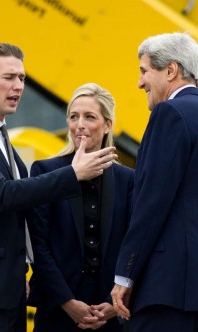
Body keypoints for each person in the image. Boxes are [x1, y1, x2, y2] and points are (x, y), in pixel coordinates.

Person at [0, 43, 116, 331]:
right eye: (9, 77)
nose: (18, 86)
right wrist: (72, 174)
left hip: (7, 289)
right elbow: (4, 194)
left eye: (21, 78)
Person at [110, 32, 198, 331]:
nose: (140, 83)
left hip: (164, 289)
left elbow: (151, 200)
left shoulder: (169, 113)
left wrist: (125, 275)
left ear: (171, 70)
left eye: (144, 71)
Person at [27, 83, 134, 331]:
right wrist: (67, 302)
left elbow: (133, 244)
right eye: (73, 116)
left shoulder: (128, 180)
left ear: (108, 124)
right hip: (58, 308)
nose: (80, 124)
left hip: (111, 311)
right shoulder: (45, 171)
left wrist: (113, 303)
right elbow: (38, 247)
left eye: (89, 117)